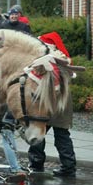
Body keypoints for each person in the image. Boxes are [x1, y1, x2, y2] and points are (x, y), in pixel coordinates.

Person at [28, 32, 77, 177]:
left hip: (46, 102)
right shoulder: (64, 61)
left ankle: (36, 165)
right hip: (63, 103)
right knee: (62, 135)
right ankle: (68, 167)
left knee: (38, 133)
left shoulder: (43, 61)